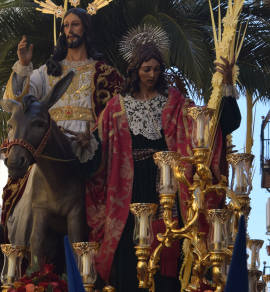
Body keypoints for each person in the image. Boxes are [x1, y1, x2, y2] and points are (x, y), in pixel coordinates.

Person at [82, 43, 241, 291]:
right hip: (127, 192)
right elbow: (96, 152)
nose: (152, 75)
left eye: (156, 69)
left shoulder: (176, 104)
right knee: (129, 252)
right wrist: (83, 144)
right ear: (135, 71)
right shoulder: (115, 107)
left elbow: (211, 130)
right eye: (146, 69)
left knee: (169, 247)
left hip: (167, 185)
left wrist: (227, 86)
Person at [1, 7, 123, 243]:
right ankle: (24, 260)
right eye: (66, 25)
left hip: (85, 150)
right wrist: (23, 66)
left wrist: (93, 137)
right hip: (49, 148)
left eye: (75, 24)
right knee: (23, 209)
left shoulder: (103, 72)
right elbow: (19, 102)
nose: (69, 30)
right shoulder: (48, 71)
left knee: (103, 205)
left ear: (85, 28)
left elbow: (116, 113)